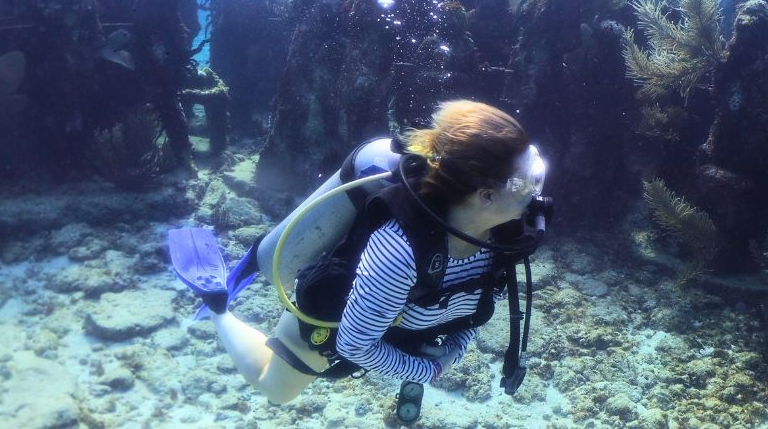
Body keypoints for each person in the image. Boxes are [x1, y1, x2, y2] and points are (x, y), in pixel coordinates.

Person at [173, 100, 549, 407]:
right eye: (527, 182)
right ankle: (219, 307)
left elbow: (479, 303)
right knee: (275, 389)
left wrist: (451, 352)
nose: (536, 193)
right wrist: (426, 372)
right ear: (484, 196)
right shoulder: (399, 252)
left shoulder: (501, 238)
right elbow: (355, 344)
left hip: (399, 327)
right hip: (336, 316)